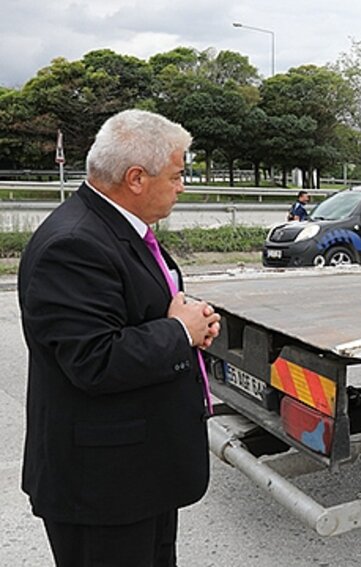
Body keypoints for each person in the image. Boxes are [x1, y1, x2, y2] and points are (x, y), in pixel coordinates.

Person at [18, 109, 221, 565]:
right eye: (177, 175)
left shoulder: (118, 227)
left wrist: (189, 324)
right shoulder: (74, 244)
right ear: (135, 178)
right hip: (102, 489)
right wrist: (177, 332)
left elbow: (138, 311)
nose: (182, 186)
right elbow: (94, 359)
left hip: (138, 474)